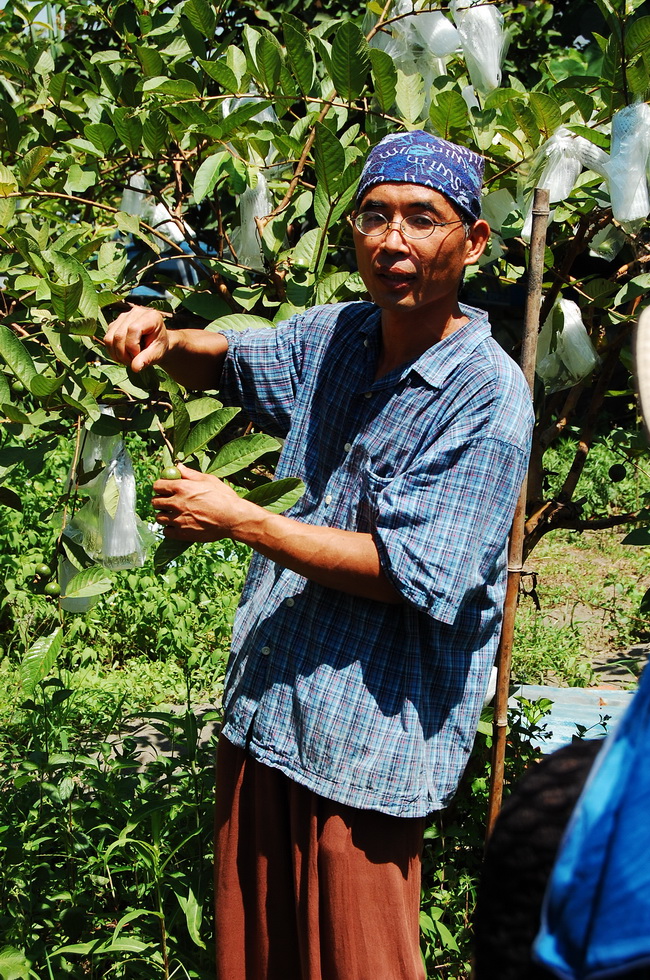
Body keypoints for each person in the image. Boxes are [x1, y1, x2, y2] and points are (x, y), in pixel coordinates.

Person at [105, 130, 534, 980]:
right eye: (374, 216)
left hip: (366, 746)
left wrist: (242, 521)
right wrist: (166, 337)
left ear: (473, 242)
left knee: (362, 959)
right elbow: (235, 363)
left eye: (422, 218)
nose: (393, 241)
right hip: (269, 715)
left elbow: (415, 575)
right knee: (255, 957)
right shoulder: (341, 333)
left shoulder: (488, 398)